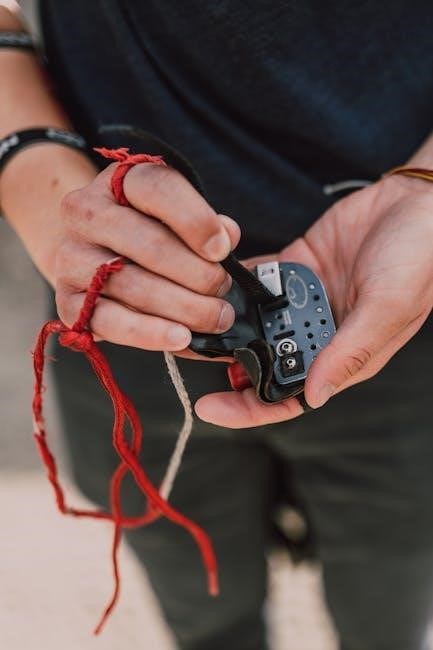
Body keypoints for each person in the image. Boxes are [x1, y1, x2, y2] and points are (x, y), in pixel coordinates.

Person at [1, 2, 432, 648]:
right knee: (204, 618)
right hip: (115, 304)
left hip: (407, 299)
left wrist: (426, 189)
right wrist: (37, 173)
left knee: (388, 611)